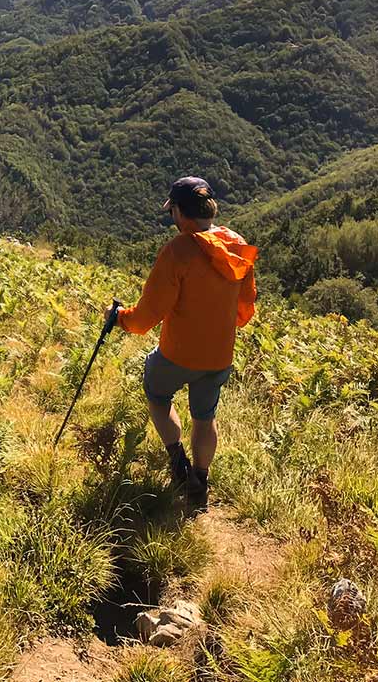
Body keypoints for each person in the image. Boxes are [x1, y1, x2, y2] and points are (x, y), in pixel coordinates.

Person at [107, 177, 258, 507]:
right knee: (205, 417)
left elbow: (146, 317)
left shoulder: (178, 251)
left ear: (179, 212)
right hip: (219, 356)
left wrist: (118, 317)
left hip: (177, 355)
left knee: (157, 393)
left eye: (172, 210)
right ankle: (200, 481)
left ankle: (177, 463)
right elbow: (245, 306)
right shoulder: (236, 245)